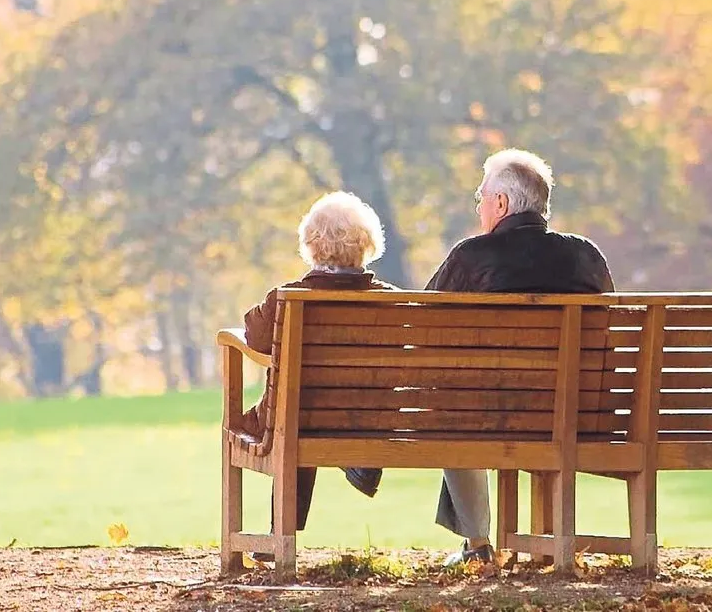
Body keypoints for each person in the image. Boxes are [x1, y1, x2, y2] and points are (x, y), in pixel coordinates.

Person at [425, 149, 615, 565]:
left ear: (502, 204)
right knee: (464, 398)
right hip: (582, 414)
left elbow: (419, 324)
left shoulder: (471, 257)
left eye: (481, 196)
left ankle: (477, 545)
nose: (479, 205)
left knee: (450, 400)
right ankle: (529, 539)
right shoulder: (587, 256)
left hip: (487, 418)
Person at [240, 191, 398, 540]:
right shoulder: (392, 302)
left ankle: (280, 536)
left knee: (291, 411)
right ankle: (360, 460)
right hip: (366, 423)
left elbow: (254, 335)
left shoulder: (288, 299)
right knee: (305, 407)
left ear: (312, 244)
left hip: (297, 419)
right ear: (367, 243)